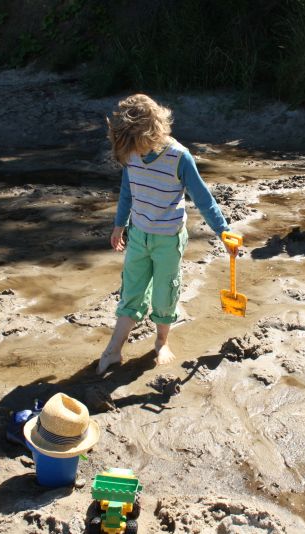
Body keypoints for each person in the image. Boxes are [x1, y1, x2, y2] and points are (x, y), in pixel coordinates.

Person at [97, 94, 236, 375]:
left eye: (132, 145)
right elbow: (127, 190)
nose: (130, 152)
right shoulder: (131, 152)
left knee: (165, 292)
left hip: (168, 239)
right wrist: (119, 224)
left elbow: (203, 199)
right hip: (137, 235)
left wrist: (224, 232)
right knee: (131, 292)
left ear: (149, 132)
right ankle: (113, 350)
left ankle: (161, 342)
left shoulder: (179, 157)